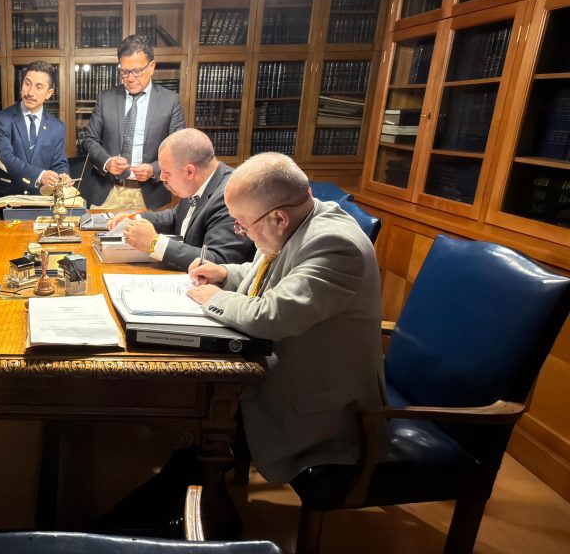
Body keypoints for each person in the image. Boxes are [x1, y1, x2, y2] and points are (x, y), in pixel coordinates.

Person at [185, 152, 385, 485]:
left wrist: (214, 298)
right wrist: (225, 273)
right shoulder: (298, 220)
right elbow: (271, 273)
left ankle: (205, 505)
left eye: (243, 225)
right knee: (193, 427)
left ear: (278, 218)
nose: (242, 233)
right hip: (283, 370)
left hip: (318, 409)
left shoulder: (336, 244)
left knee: (198, 428)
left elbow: (271, 315)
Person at [108, 129, 254, 271]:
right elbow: (176, 217)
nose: (162, 178)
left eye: (166, 172)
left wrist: (154, 244)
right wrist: (135, 219)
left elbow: (219, 262)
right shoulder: (198, 182)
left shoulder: (231, 196)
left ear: (189, 171)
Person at [80, 34, 185, 210]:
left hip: (151, 196)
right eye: (124, 71)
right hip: (107, 193)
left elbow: (179, 149)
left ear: (151, 67)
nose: (130, 78)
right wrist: (107, 162)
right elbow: (90, 140)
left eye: (137, 71)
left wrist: (153, 169)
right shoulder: (106, 98)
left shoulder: (170, 101)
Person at [0, 61, 70, 195]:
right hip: (7, 197)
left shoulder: (57, 127)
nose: (30, 92)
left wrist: (63, 175)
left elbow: (59, 163)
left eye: (39, 87)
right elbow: (5, 157)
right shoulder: (1, 119)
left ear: (49, 93)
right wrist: (40, 175)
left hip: (41, 197)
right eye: (27, 84)